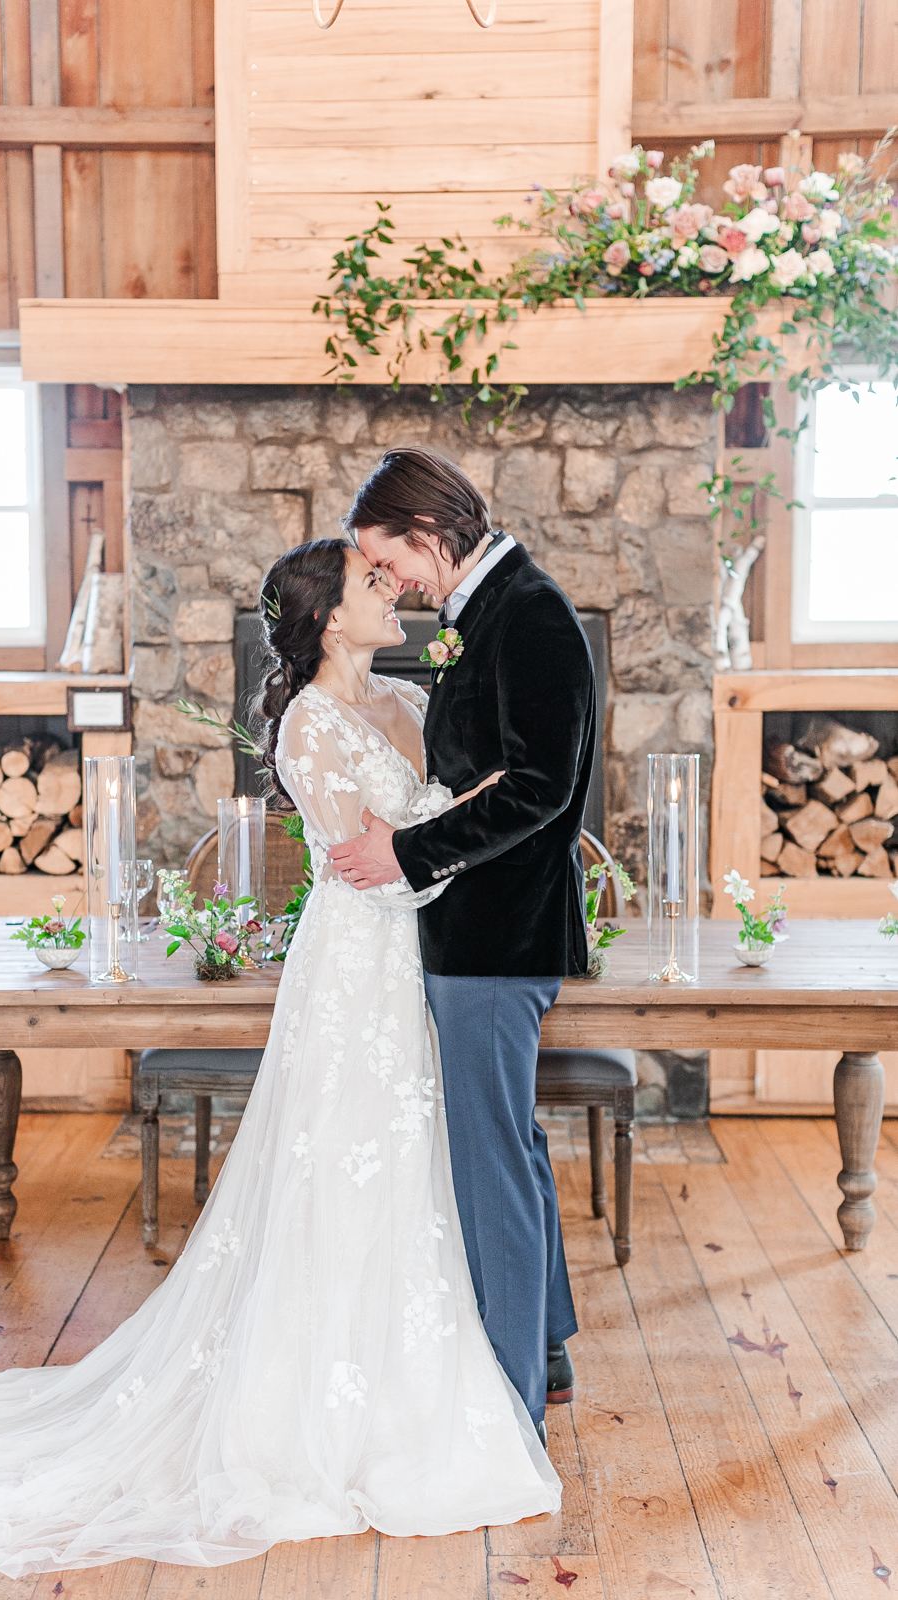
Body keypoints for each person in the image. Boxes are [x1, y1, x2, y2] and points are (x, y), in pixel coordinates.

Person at [0, 538, 559, 1579]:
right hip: (360, 968)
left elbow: (439, 818)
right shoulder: (309, 727)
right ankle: (318, 1410)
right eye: (368, 582)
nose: (389, 587)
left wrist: (469, 818)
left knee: (409, 1174)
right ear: (322, 618)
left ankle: (411, 1377)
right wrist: (470, 834)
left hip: (414, 971)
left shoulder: (401, 699)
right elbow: (374, 870)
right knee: (347, 1169)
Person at [331, 446, 597, 1430]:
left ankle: (508, 1400)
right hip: (477, 929)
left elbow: (540, 789)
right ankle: (549, 1349)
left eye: (385, 559)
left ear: (430, 533)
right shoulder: (481, 610)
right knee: (507, 1146)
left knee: (486, 1158)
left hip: (498, 934)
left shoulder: (528, 615)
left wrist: (404, 852)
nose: (383, 580)